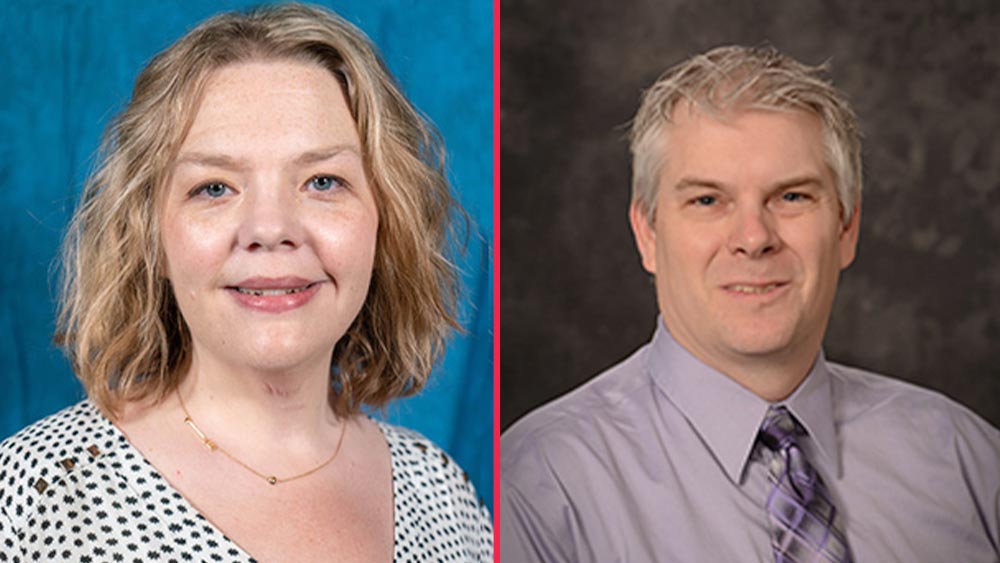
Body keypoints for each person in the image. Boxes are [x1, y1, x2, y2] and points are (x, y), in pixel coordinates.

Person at [0, 4, 491, 562]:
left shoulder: (441, 491)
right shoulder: (32, 498)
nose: (270, 229)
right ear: (150, 236)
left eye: (322, 181)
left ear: (386, 223)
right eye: (214, 188)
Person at [500, 45, 999, 562]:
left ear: (847, 228)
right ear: (647, 233)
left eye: (792, 197)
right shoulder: (538, 490)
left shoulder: (966, 464)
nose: (754, 237)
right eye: (708, 201)